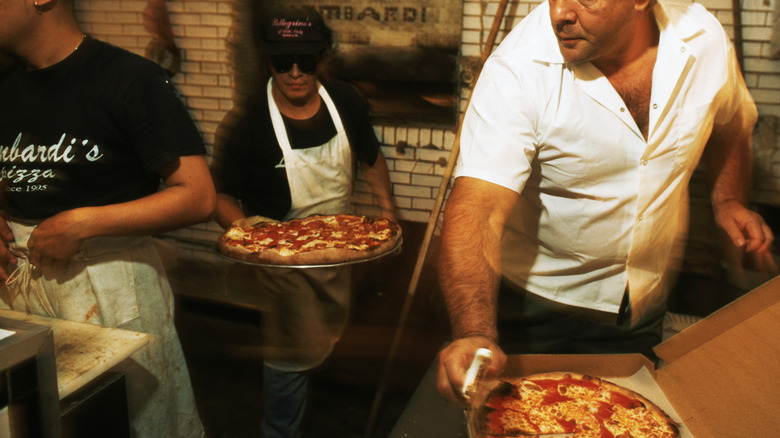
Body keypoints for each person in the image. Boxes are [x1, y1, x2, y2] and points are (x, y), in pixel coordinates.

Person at [436, 0, 776, 406]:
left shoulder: (703, 40)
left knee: (627, 421)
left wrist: (728, 200)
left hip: (642, 300)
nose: (559, 12)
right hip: (535, 309)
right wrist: (475, 333)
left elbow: (732, 119)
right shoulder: (517, 69)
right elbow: (478, 209)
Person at [0, 0, 214, 436]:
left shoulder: (132, 80)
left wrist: (81, 224)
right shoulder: (3, 83)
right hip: (19, 286)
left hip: (109, 286)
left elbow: (197, 196)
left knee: (130, 420)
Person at [210, 6, 396, 437]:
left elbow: (370, 157)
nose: (295, 73)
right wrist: (255, 238)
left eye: (306, 62)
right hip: (281, 260)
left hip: (339, 248)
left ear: (322, 58)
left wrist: (386, 206)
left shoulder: (345, 101)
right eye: (282, 62)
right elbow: (218, 195)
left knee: (328, 339)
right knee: (289, 355)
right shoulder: (250, 125)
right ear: (267, 60)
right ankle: (280, 430)